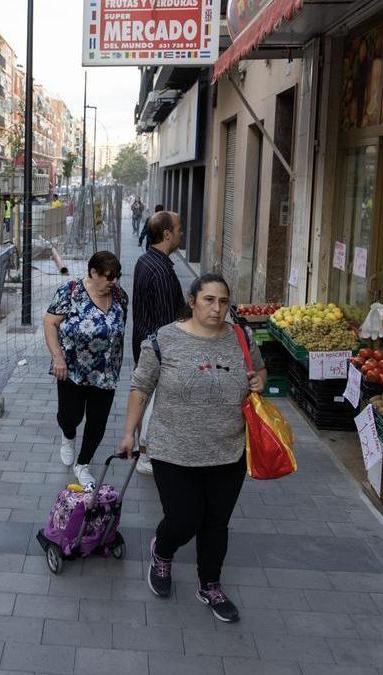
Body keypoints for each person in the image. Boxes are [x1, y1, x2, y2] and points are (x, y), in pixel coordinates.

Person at [118, 273, 266, 623]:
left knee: (216, 523)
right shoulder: (163, 341)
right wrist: (128, 433)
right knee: (183, 519)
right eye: (209, 300)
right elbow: (140, 388)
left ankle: (210, 584)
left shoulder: (242, 337)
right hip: (174, 450)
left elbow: (259, 372)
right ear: (192, 300)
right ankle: (163, 552)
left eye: (224, 301)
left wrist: (261, 379)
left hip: (228, 450)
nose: (217, 308)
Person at [44, 251, 128, 488]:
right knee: (70, 416)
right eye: (109, 277)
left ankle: (83, 465)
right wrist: (57, 357)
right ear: (93, 273)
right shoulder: (70, 292)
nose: (113, 282)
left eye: (117, 277)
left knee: (97, 422)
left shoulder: (120, 296)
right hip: (72, 369)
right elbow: (50, 323)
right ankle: (68, 435)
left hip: (106, 373)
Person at [130, 210, 187, 476]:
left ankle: (146, 453)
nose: (181, 233)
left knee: (146, 399)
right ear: (167, 234)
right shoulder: (162, 272)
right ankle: (146, 456)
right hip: (156, 348)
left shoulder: (146, 260)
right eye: (179, 229)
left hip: (142, 340)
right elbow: (167, 324)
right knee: (154, 401)